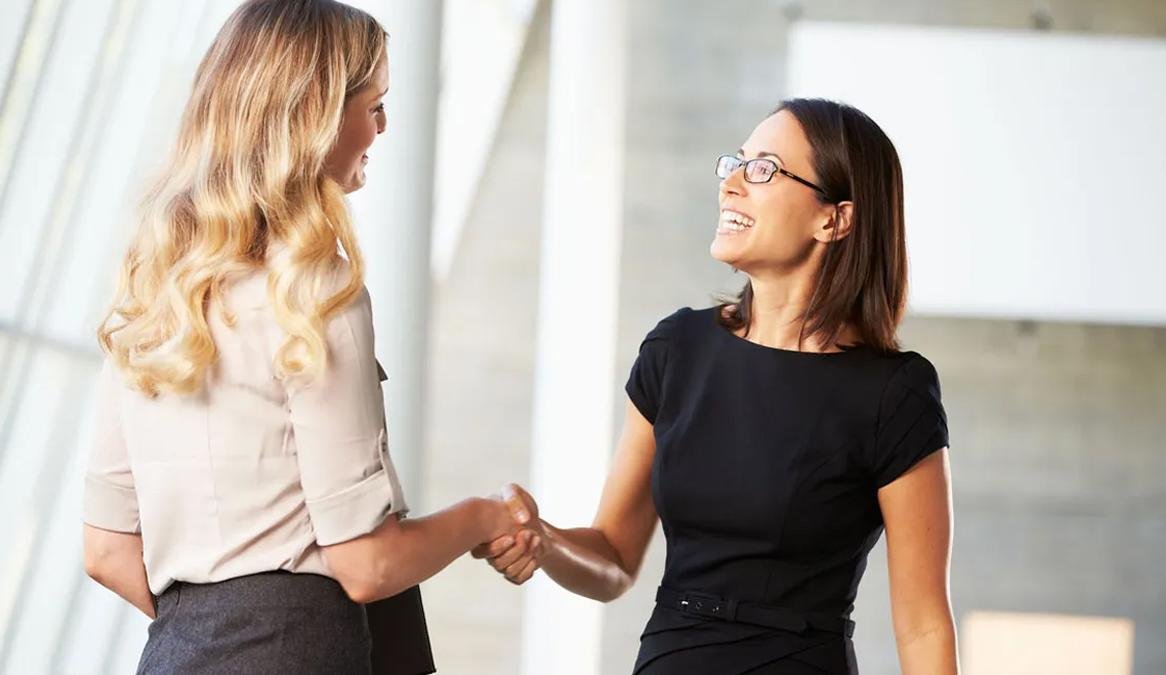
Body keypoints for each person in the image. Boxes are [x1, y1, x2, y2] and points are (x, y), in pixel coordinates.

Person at [81, 2, 521, 673]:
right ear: (314, 118)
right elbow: (367, 564)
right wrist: (484, 518)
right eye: (373, 104)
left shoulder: (156, 289)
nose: (382, 126)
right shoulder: (317, 292)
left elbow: (106, 550)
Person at [475, 98, 959, 674]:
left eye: (764, 169)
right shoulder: (676, 350)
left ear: (835, 219)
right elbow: (614, 559)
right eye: (736, 161)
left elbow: (924, 624)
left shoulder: (894, 393)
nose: (731, 182)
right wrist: (545, 542)